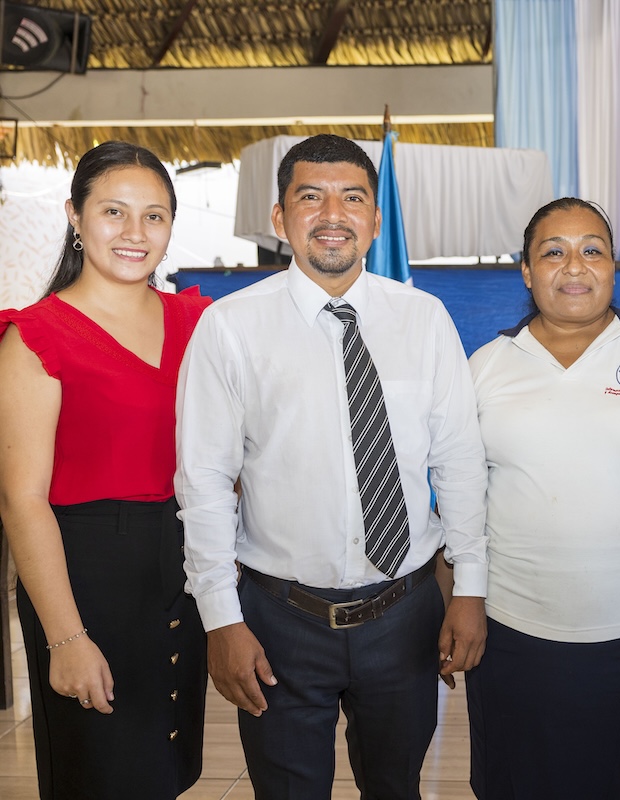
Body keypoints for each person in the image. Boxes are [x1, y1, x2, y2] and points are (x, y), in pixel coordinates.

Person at [174, 134, 488, 799]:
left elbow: (459, 461)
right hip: (277, 619)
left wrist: (469, 589)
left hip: (405, 613)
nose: (333, 214)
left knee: (396, 786)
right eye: (310, 197)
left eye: (353, 198)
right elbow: (203, 485)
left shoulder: (423, 319)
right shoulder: (230, 328)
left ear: (377, 219)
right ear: (279, 217)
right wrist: (220, 619)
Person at [465, 197, 620, 799]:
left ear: (612, 266)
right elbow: (457, 500)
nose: (573, 266)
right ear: (526, 271)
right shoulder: (484, 368)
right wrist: (458, 602)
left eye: (591, 250)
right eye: (552, 252)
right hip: (510, 630)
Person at [0, 141, 210, 799]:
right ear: (75, 216)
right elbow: (21, 500)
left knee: (166, 770)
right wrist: (65, 638)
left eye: (154, 216)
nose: (134, 233)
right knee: (102, 772)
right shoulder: (36, 337)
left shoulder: (200, 323)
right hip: (84, 582)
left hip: (181, 574)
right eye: (113, 212)